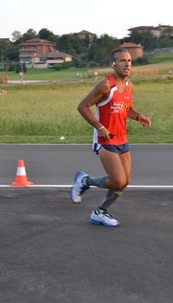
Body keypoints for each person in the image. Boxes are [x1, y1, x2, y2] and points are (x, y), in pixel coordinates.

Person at [70, 48, 151, 227]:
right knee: (118, 180)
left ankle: (100, 212)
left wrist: (139, 116)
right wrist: (99, 127)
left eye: (129, 61)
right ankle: (84, 181)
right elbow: (82, 106)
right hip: (105, 139)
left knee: (124, 182)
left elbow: (126, 107)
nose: (127, 64)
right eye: (122, 61)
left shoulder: (129, 86)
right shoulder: (106, 84)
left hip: (122, 139)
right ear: (112, 64)